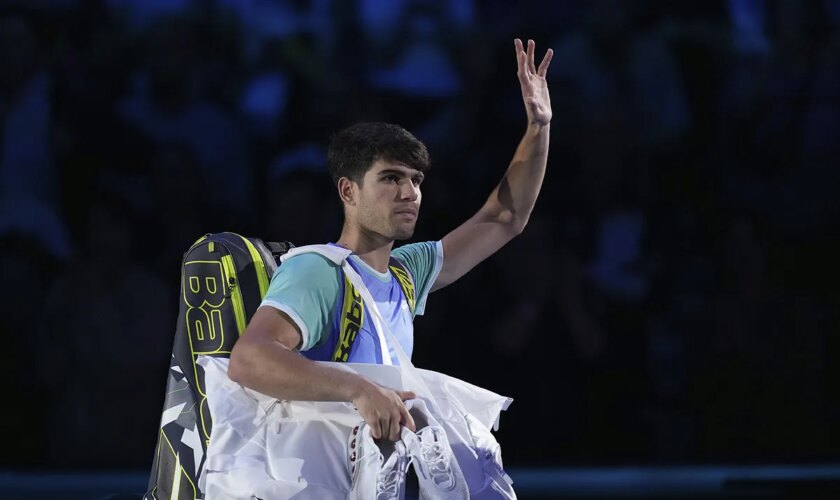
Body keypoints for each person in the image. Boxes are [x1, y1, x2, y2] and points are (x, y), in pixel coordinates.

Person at [228, 38, 553, 444]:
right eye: (391, 178)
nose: (409, 192)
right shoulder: (319, 269)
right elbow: (249, 359)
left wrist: (538, 127)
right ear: (348, 191)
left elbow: (505, 217)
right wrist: (359, 389)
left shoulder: (406, 270)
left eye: (416, 180)